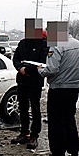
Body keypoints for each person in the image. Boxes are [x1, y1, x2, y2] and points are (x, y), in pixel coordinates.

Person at [38, 21, 79, 156]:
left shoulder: (57, 46)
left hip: (58, 88)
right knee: (69, 118)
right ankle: (73, 149)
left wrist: (40, 70)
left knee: (56, 122)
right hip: (74, 88)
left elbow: (51, 69)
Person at [11, 18, 49, 149]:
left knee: (35, 108)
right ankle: (24, 132)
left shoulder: (44, 44)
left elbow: (43, 62)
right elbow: (15, 58)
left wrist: (27, 69)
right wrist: (19, 68)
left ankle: (34, 135)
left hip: (35, 81)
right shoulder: (22, 43)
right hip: (22, 81)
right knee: (22, 108)